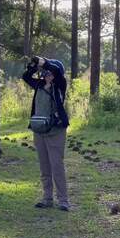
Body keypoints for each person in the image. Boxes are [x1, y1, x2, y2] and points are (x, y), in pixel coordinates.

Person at [22, 56, 70, 211]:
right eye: (45, 73)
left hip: (56, 131)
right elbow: (25, 77)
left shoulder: (60, 85)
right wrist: (35, 67)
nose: (47, 75)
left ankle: (63, 200)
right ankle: (47, 198)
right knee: (44, 167)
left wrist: (46, 63)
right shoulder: (39, 85)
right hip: (39, 131)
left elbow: (57, 71)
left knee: (57, 166)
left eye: (50, 72)